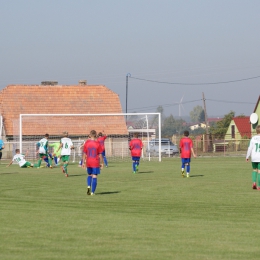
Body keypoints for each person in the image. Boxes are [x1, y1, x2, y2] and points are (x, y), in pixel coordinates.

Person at [82, 130, 102, 195]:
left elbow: (84, 154)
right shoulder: (98, 143)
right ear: (96, 135)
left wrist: (83, 162)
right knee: (94, 176)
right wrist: (102, 163)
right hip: (95, 162)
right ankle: (92, 192)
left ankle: (88, 186)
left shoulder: (87, 143)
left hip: (88, 162)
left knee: (89, 175)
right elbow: (100, 154)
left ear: (90, 135)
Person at [246, 125, 260, 189]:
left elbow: (250, 148)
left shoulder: (253, 138)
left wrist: (247, 157)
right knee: (259, 171)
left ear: (256, 131)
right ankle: (259, 186)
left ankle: (254, 182)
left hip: (254, 157)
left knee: (254, 170)